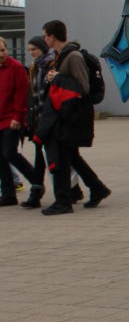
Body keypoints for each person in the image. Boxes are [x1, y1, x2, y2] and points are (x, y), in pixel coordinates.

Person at [35, 20, 111, 214]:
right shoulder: (61, 56)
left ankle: (64, 200)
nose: (44, 39)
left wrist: (57, 77)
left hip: (71, 114)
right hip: (65, 113)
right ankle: (97, 188)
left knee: (63, 156)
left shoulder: (73, 56)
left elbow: (83, 86)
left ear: (52, 37)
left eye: (45, 35)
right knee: (70, 155)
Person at [19, 35, 56, 207]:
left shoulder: (50, 64)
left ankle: (69, 190)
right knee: (39, 157)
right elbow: (31, 95)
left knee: (54, 157)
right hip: (37, 119)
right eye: (30, 50)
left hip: (48, 118)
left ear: (42, 48)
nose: (32, 53)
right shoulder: (34, 67)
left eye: (34, 49)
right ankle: (36, 192)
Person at [0, 36, 36, 206]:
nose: (1, 54)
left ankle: (36, 180)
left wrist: (18, 117)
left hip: (11, 119)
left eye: (2, 50)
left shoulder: (15, 67)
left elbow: (22, 95)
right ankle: (8, 195)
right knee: (0, 158)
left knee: (10, 153)